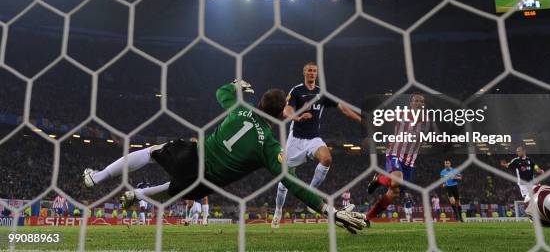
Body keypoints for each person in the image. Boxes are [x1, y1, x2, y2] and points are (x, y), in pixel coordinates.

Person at [82, 81, 366, 234]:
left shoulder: (240, 108)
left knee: (152, 152)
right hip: (206, 185)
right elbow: (292, 183)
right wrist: (329, 211)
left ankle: (98, 177)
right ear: (281, 115)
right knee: (173, 191)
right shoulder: (268, 146)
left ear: (258, 104)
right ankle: (140, 195)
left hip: (191, 159)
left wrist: (237, 84)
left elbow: (221, 91)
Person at [272, 62, 361, 228]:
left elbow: (343, 108)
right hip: (296, 140)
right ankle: (278, 210)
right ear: (304, 73)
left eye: (314, 71)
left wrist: (361, 119)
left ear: (317, 74)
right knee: (284, 179)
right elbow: (287, 110)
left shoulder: (322, 93)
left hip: (314, 138)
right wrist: (297, 117)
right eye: (309, 71)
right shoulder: (297, 90)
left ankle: (310, 195)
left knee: (327, 158)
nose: (312, 73)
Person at [365, 93, 430, 225]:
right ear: (411, 103)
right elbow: (381, 122)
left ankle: (367, 218)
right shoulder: (402, 114)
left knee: (394, 192)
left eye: (421, 101)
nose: (418, 103)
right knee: (395, 182)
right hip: (395, 153)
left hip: (410, 161)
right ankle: (378, 180)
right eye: (416, 101)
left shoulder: (427, 121)